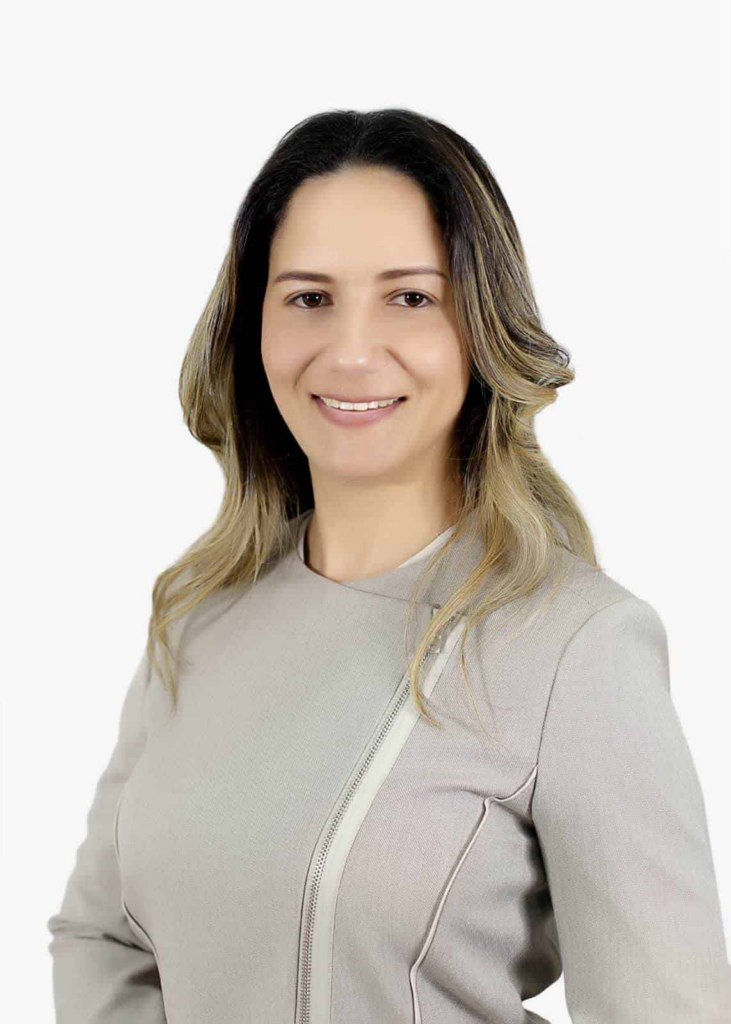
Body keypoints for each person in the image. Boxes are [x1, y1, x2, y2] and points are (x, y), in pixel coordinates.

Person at [46, 107, 731, 1023]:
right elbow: (103, 939)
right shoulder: (198, 618)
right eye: (308, 298)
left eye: (409, 298)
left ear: (480, 329)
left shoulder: (576, 646)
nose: (352, 351)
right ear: (253, 328)